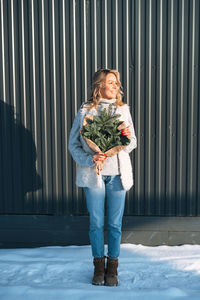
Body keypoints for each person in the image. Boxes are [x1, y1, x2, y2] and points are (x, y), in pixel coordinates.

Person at [68, 68, 137, 286]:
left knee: (115, 225)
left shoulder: (123, 109)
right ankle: (99, 268)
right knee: (96, 223)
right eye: (111, 82)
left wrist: (116, 146)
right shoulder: (85, 111)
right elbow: (73, 144)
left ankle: (113, 270)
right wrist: (92, 158)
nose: (116, 86)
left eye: (117, 83)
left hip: (117, 176)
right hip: (93, 177)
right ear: (100, 85)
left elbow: (133, 140)